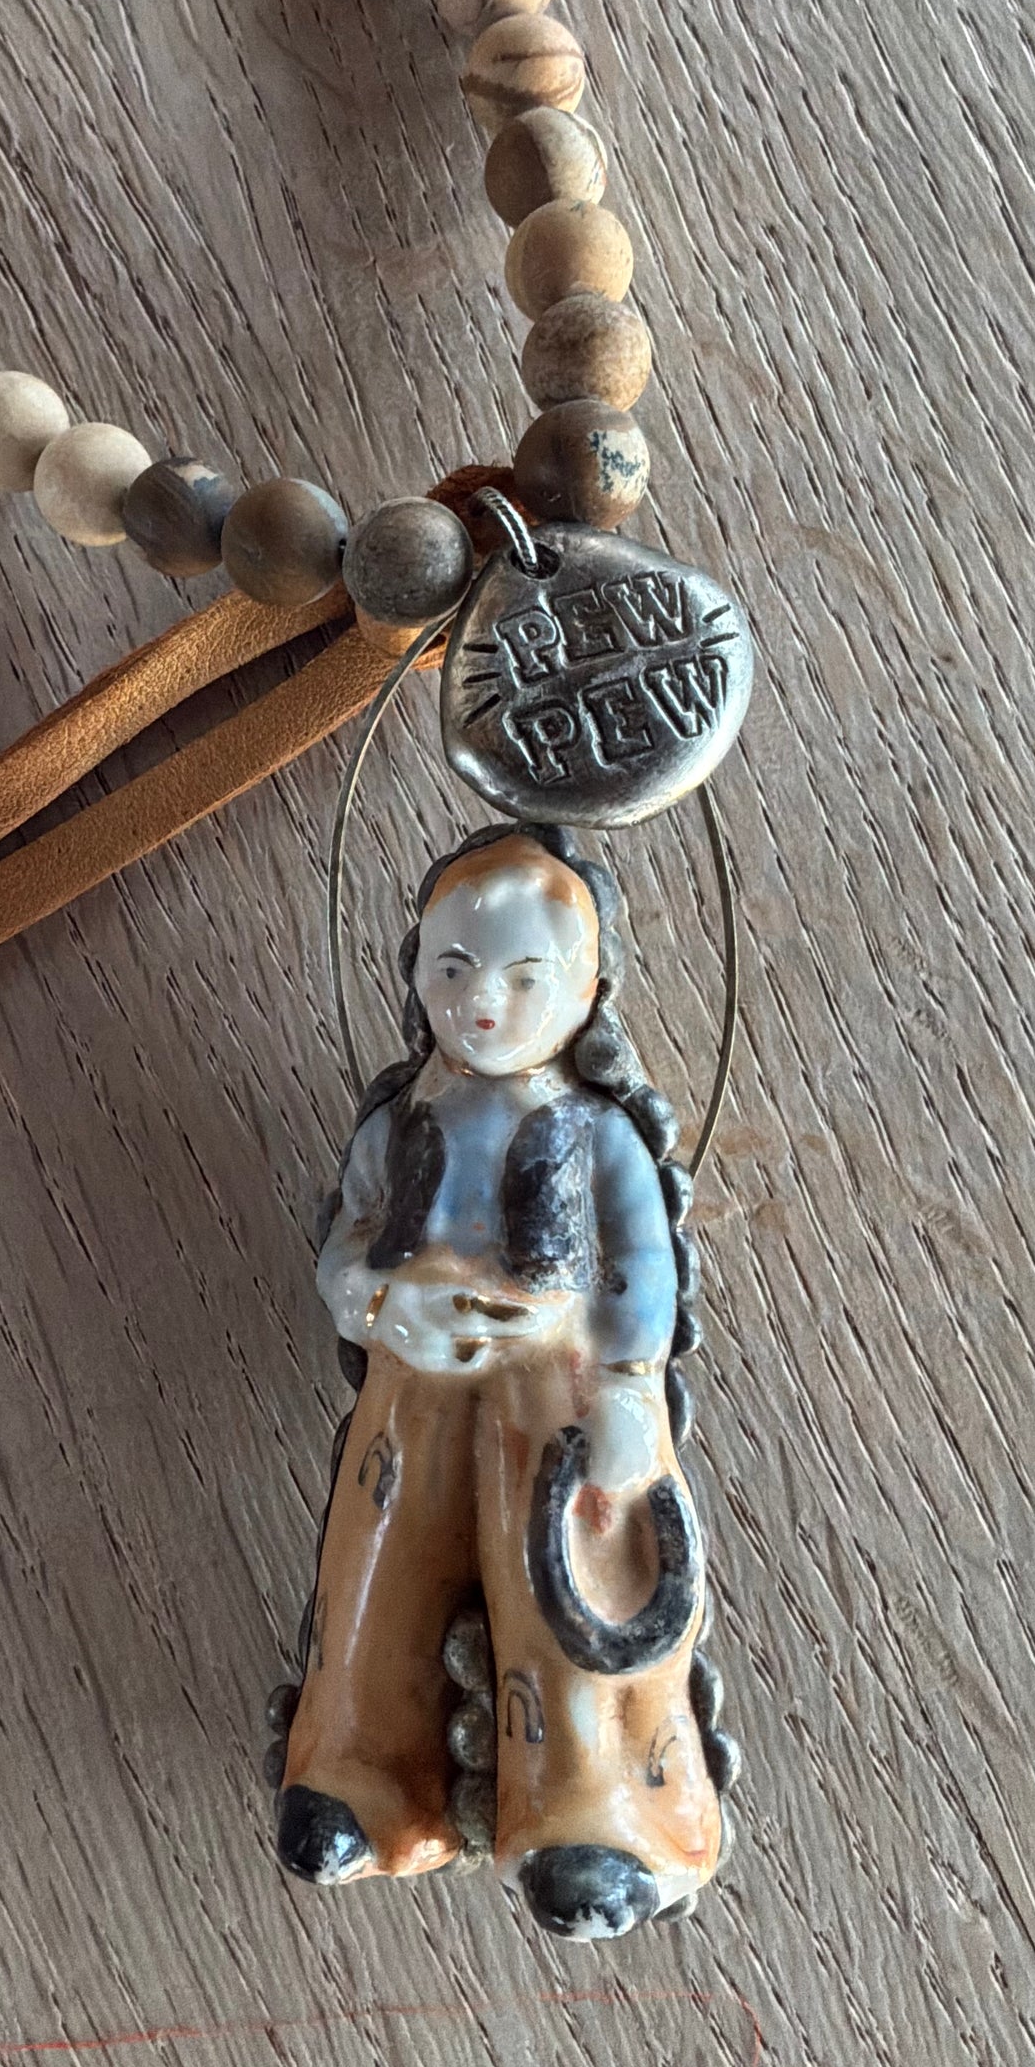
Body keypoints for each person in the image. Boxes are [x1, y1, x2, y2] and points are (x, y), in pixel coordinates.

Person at [272, 824, 736, 1938]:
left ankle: (598, 1816)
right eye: (455, 968)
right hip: (413, 1394)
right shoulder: (399, 1124)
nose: (484, 1002)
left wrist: (628, 1387)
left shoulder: (595, 1133)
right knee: (373, 1581)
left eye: (526, 978)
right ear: (415, 972)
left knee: (573, 1597)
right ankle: (359, 1782)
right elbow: (347, 1244)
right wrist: (376, 1303)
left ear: (587, 992)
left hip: (556, 1400)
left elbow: (640, 1264)